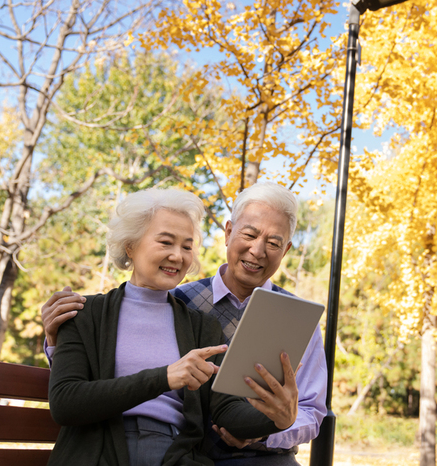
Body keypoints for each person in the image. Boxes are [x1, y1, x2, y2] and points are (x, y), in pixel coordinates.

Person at [42, 183, 327, 466]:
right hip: (106, 448)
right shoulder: (96, 310)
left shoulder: (199, 324)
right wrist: (55, 341)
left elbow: (226, 408)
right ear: (130, 245)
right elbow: (69, 397)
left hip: (187, 455)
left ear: (286, 249)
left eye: (187, 246)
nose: (177, 256)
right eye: (166, 242)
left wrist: (279, 419)